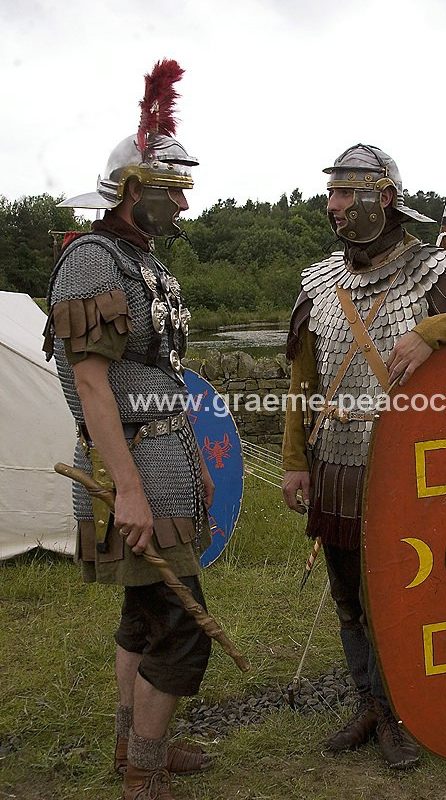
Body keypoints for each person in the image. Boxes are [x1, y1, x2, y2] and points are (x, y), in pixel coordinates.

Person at [281, 144, 446, 769]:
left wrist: (430, 332)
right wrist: (293, 460)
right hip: (336, 462)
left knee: (398, 592)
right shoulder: (318, 283)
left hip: (407, 469)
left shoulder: (435, 273)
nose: (332, 206)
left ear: (383, 197)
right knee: (347, 593)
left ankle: (402, 708)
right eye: (330, 192)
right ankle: (369, 703)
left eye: (345, 193)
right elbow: (301, 385)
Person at [43, 61, 214, 800]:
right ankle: (143, 771)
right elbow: (89, 381)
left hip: (159, 454)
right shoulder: (92, 258)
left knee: (144, 615)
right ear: (133, 189)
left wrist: (192, 459)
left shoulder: (143, 260)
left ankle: (133, 748)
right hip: (132, 468)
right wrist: (131, 488)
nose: (182, 203)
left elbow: (159, 377)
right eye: (171, 190)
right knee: (182, 626)